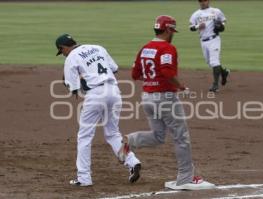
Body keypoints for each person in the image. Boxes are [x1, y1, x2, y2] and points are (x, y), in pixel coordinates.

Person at [119, 15, 210, 190]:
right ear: (168, 30)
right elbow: (167, 72)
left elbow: (135, 75)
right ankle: (186, 178)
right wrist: (182, 87)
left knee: (158, 136)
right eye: (172, 31)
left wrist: (152, 80)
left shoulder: (145, 48)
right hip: (165, 98)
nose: (173, 34)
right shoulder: (167, 48)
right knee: (181, 137)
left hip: (148, 97)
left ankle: (129, 141)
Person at [55, 33, 141, 186]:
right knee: (113, 133)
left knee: (84, 137)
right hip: (114, 92)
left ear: (63, 48)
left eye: (61, 52)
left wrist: (78, 81)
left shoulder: (71, 57)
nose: (63, 55)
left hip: (96, 95)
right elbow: (114, 68)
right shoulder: (97, 47)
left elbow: (72, 87)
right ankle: (132, 161)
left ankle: (84, 178)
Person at [189, 0, 230, 92]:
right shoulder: (196, 14)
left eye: (205, 0)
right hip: (203, 41)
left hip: (214, 39)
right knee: (210, 62)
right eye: (201, 1)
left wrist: (221, 26)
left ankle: (215, 85)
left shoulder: (216, 11)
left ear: (208, 1)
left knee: (214, 62)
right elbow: (190, 27)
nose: (203, 2)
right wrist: (197, 26)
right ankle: (224, 72)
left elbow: (223, 20)